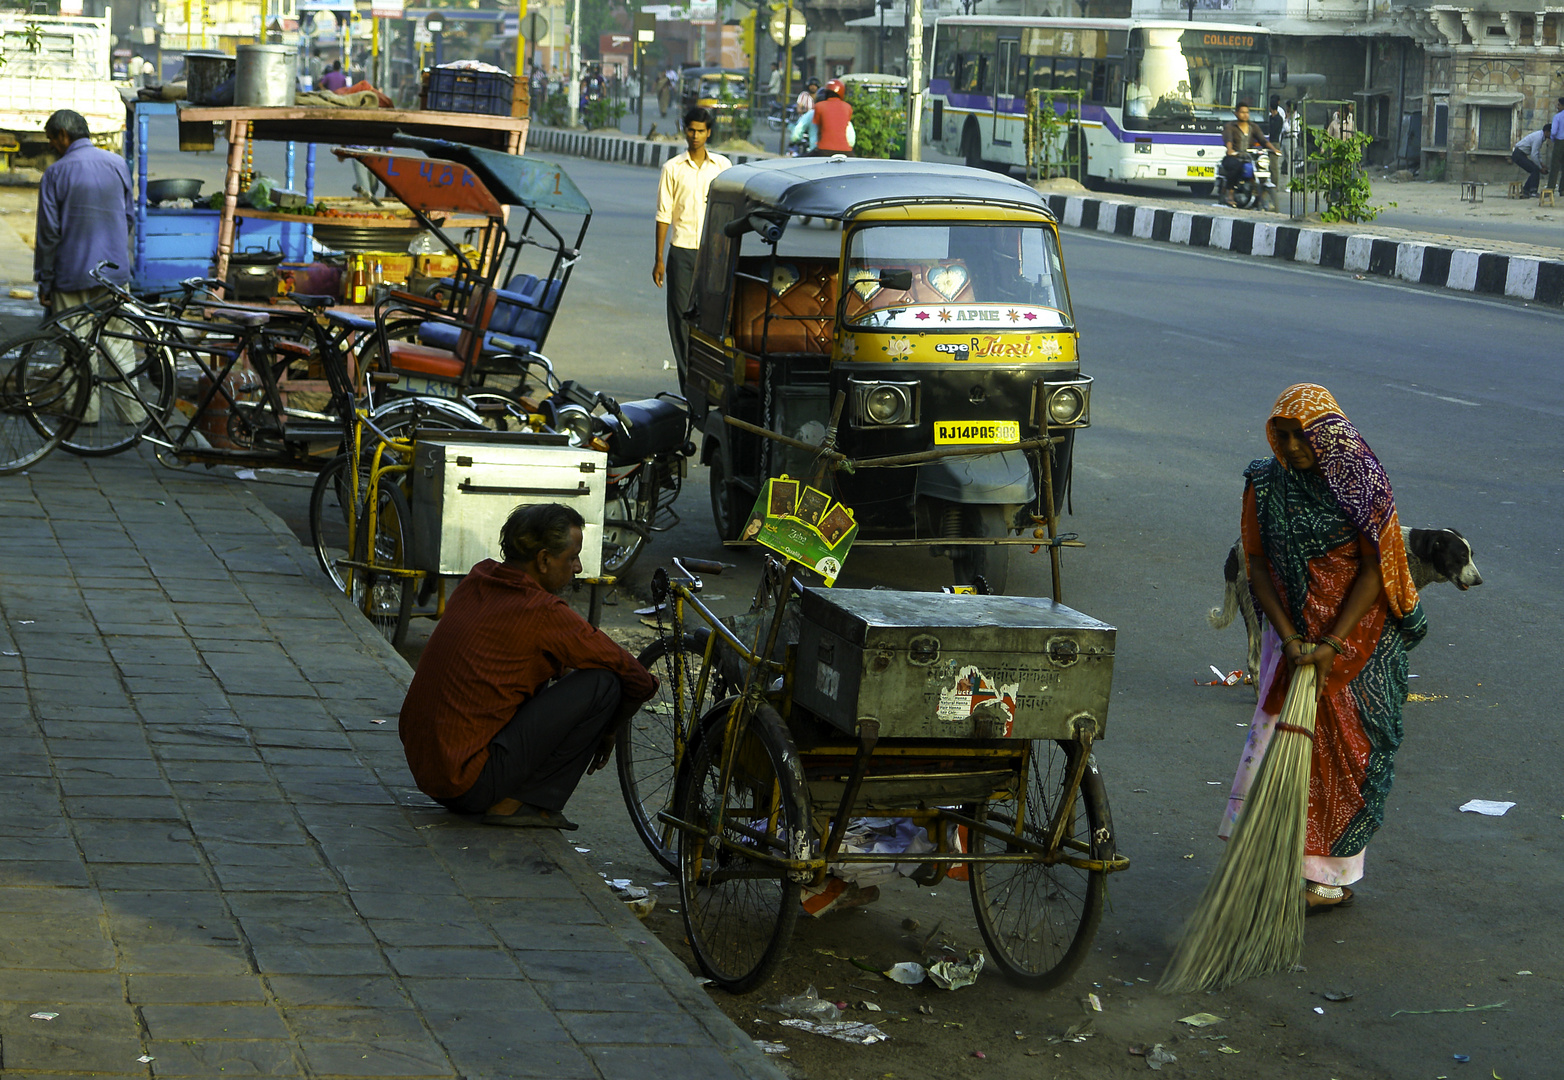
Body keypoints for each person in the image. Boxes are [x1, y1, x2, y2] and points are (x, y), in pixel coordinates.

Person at [1220, 384, 1427, 911]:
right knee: (1280, 747)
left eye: (1299, 435)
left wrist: (1332, 642)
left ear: (1326, 434)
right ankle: (1271, 859)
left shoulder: (1361, 483)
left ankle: (1328, 877)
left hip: (1357, 639)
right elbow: (1258, 565)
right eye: (1281, 435)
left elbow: (1377, 570)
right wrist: (1290, 636)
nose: (1288, 447)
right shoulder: (1264, 483)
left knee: (1345, 756)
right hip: (1290, 632)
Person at [399, 503, 658, 829]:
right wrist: (609, 731)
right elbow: (637, 677)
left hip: (428, 770)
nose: (577, 568)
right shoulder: (543, 610)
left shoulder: (479, 577)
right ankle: (523, 803)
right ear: (544, 560)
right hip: (467, 784)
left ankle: (512, 795)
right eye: (572, 557)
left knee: (559, 673)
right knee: (605, 683)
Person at [34, 108, 143, 429]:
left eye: (53, 139)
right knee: (119, 344)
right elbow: (128, 218)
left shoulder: (55, 174)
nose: (53, 145)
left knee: (76, 345)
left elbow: (49, 234)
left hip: (71, 275)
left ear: (63, 136)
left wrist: (45, 280)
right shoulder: (117, 164)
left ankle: (84, 412)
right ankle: (134, 414)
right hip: (113, 274)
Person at [653, 106, 731, 385]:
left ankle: (715, 382)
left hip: (715, 253)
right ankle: (690, 385)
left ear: (708, 133)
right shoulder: (672, 168)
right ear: (684, 131)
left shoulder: (723, 167)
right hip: (682, 251)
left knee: (715, 318)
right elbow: (664, 214)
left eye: (700, 131)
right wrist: (659, 259)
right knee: (681, 319)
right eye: (691, 130)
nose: (695, 135)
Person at [1221, 101, 1279, 207]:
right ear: (1236, 113)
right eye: (1242, 112)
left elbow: (1263, 140)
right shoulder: (1230, 126)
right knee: (1235, 166)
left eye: (1247, 112)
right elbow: (1228, 139)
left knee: (1262, 166)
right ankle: (1230, 193)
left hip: (1249, 158)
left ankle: (1257, 191)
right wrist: (1230, 150)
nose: (1245, 114)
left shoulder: (1253, 127)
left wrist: (1274, 149)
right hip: (1234, 157)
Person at [790, 78, 855, 157]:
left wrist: (794, 140)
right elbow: (851, 140)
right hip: (846, 151)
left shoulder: (818, 107)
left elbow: (801, 131)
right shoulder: (847, 107)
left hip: (823, 150)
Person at [1512, 126, 1547, 198]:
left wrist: (1541, 163)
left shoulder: (1540, 136)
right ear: (1547, 132)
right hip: (1518, 154)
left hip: (1520, 154)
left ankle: (1526, 190)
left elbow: (1537, 152)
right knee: (1535, 169)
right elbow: (1534, 155)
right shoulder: (1538, 137)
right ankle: (1533, 191)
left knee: (1534, 170)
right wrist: (1540, 168)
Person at [1547, 97, 1564, 195]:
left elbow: (1553, 132)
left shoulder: (1557, 117)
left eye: (1559, 105)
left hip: (1559, 142)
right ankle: (1562, 190)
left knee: (1555, 166)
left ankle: (1550, 189)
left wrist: (1553, 140)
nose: (1557, 107)